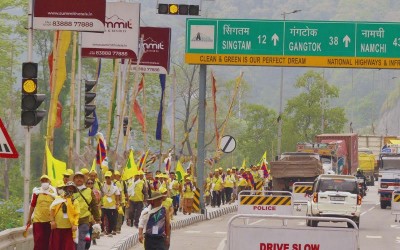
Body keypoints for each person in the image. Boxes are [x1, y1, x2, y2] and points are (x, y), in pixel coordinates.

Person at [27, 175, 57, 250]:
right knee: (38, 240)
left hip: (49, 221)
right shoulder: (37, 192)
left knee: (48, 241)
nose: (44, 182)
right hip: (38, 220)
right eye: (43, 181)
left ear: (49, 182)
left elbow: (57, 206)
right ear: (40, 182)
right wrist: (29, 218)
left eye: (46, 180)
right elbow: (32, 205)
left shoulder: (53, 192)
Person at [73, 172, 101, 250]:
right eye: (77, 177)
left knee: (82, 239)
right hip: (71, 220)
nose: (79, 179)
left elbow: (94, 206)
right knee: (73, 240)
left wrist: (97, 219)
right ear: (74, 180)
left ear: (84, 180)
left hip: (84, 219)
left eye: (81, 177)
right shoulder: (70, 190)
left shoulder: (89, 191)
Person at [49, 181, 80, 250]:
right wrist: (52, 221)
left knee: (68, 247)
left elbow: (77, 214)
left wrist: (75, 224)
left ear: (74, 190)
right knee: (56, 247)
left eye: (72, 188)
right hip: (57, 228)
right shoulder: (58, 198)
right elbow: (52, 210)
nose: (70, 189)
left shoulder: (75, 201)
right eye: (69, 188)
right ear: (65, 189)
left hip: (68, 229)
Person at [101, 171, 121, 236]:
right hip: (104, 204)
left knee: (111, 218)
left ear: (111, 178)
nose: (107, 179)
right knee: (102, 217)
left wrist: (117, 204)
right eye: (106, 177)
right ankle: (103, 230)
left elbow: (117, 195)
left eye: (108, 177)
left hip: (112, 205)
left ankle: (109, 231)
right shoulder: (103, 185)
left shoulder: (115, 186)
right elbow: (101, 194)